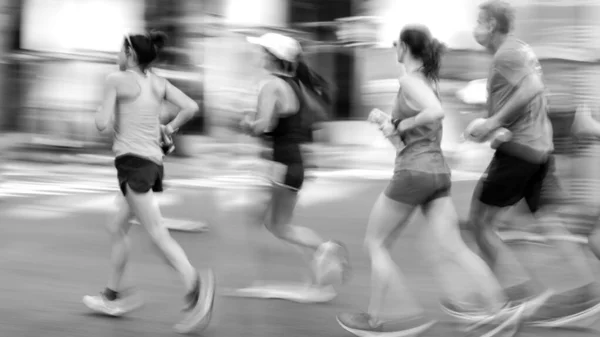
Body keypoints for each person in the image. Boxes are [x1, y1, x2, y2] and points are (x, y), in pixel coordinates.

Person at [336, 24, 547, 337]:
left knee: (376, 243)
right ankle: (498, 310)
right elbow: (406, 142)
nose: (395, 47)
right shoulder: (427, 82)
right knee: (454, 248)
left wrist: (400, 122)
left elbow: (434, 114)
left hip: (414, 173)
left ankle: (384, 319)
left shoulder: (409, 80)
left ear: (406, 48)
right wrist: (388, 126)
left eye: (397, 43)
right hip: (436, 174)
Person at [443, 0, 600, 327]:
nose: (475, 28)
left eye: (478, 22)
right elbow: (534, 100)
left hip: (519, 153)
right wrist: (497, 127)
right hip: (537, 150)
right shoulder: (520, 50)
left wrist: (492, 123)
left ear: (490, 24)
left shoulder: (506, 55)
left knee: (481, 223)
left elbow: (533, 87)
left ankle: (505, 300)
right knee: (547, 221)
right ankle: (587, 295)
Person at [82, 31, 215, 334]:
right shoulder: (157, 81)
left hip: (134, 165)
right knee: (116, 225)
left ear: (129, 54)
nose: (118, 55)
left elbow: (102, 123)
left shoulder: (116, 80)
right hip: (150, 163)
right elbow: (191, 107)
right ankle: (112, 295)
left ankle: (195, 286)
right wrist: (169, 127)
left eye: (120, 50)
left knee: (157, 233)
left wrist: (105, 107)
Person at [238, 33, 349, 301]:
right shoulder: (295, 86)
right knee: (277, 225)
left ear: (275, 57)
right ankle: (322, 259)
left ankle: (265, 279)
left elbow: (263, 125)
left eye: (264, 52)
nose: (261, 56)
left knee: (267, 223)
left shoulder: (271, 85)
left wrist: (246, 123)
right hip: (293, 163)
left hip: (281, 164)